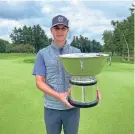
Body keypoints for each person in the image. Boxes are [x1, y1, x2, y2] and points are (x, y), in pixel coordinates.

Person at [32, 15, 101, 134]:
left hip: (72, 106)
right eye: (56, 28)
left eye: (63, 28)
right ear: (51, 30)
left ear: (67, 30)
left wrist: (95, 90)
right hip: (51, 108)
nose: (60, 31)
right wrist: (58, 96)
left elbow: (84, 77)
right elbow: (39, 82)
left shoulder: (76, 52)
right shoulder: (42, 54)